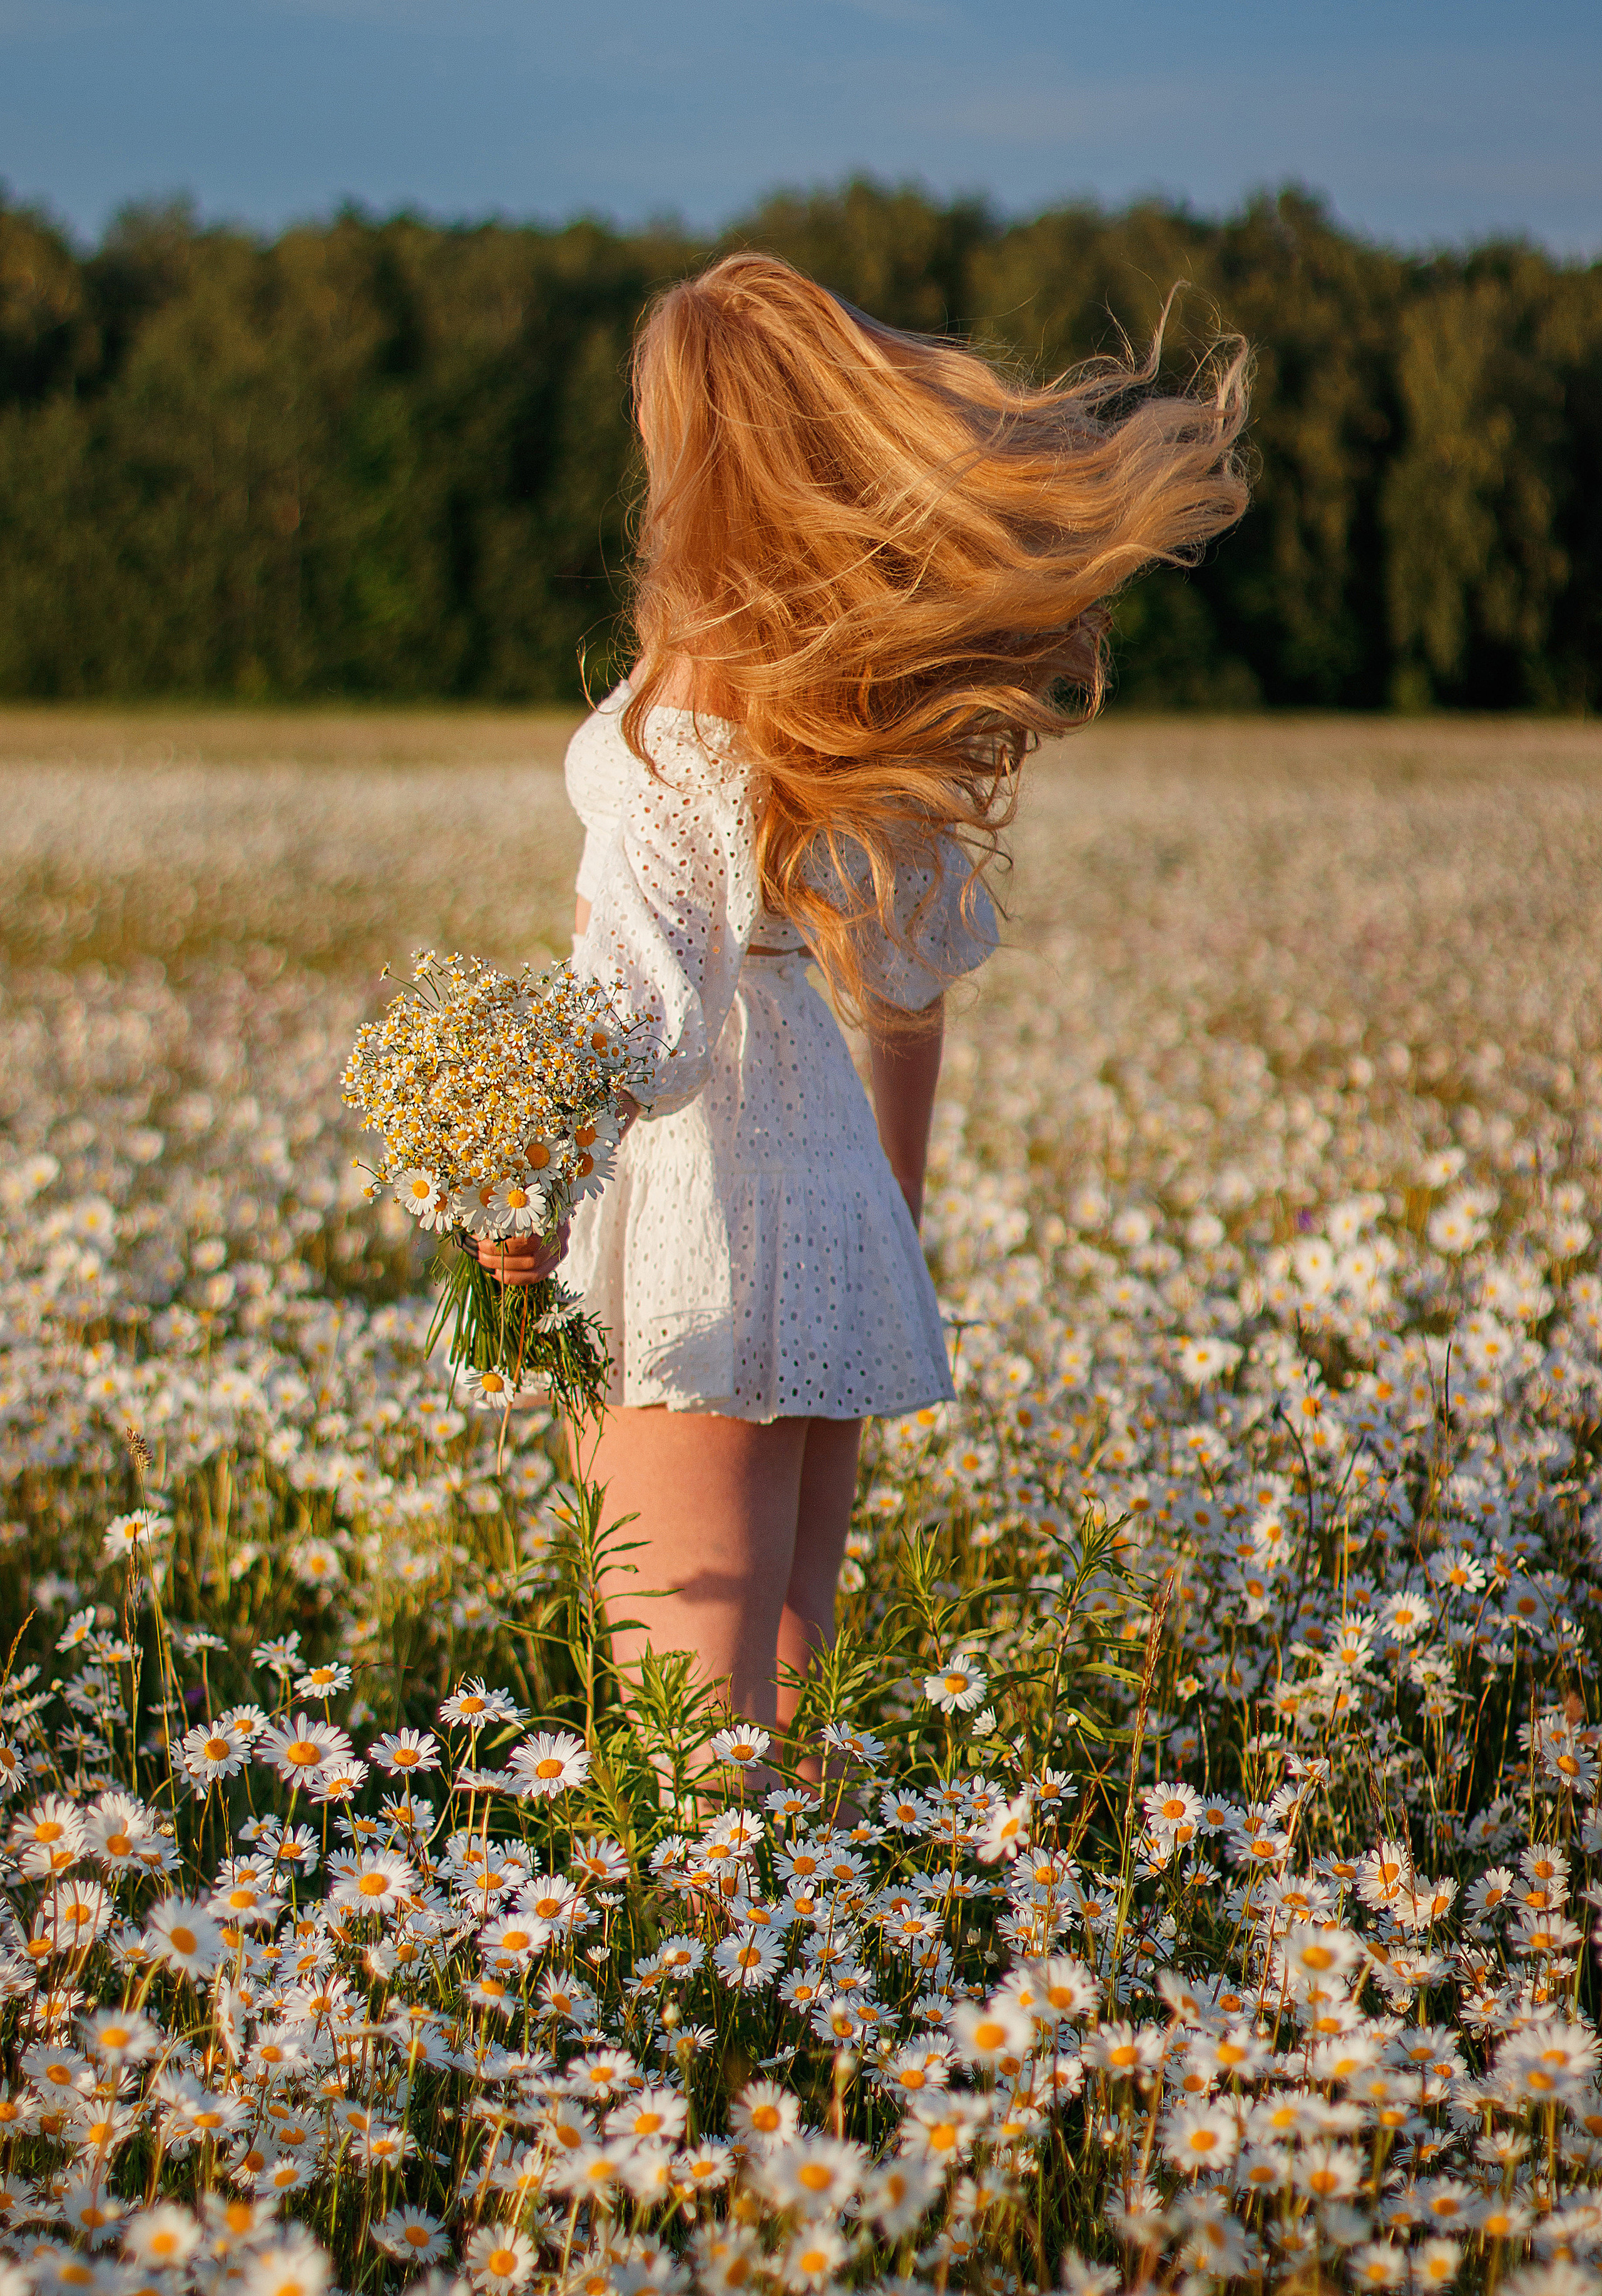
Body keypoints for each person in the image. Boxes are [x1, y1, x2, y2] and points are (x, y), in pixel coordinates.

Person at [478, 252, 1248, 1747]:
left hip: (689, 1202)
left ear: (690, 447)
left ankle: (715, 1976)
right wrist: (883, 1210)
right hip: (820, 1188)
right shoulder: (840, 699)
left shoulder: (673, 720)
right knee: (782, 1688)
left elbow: (647, 1018)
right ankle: (776, 1958)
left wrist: (517, 1182)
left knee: (686, 1725)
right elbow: (907, 988)